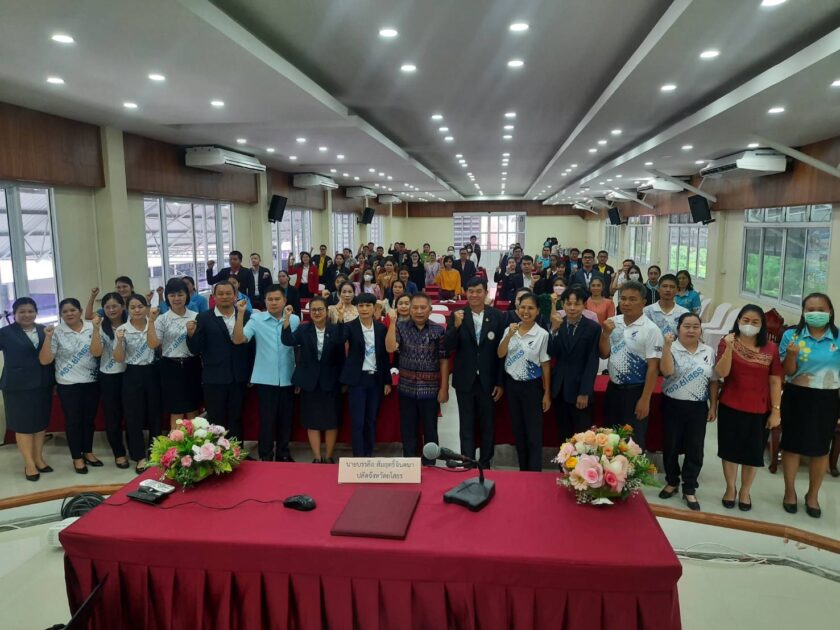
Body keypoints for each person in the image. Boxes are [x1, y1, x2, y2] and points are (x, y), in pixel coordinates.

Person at [714, 305, 782, 512]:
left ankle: (745, 491)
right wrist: (729, 348)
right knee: (730, 451)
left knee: (753, 454)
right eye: (745, 320)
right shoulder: (727, 341)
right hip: (730, 405)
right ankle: (730, 488)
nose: (749, 325)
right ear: (738, 321)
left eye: (755, 322)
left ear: (762, 325)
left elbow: (775, 381)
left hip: (759, 409)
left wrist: (776, 410)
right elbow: (722, 373)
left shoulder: (771, 348)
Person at [779, 293, 840, 518]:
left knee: (820, 449)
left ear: (830, 312)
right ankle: (789, 492)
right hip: (797, 396)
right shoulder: (791, 336)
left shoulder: (838, 338)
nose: (816, 313)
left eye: (821, 309)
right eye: (810, 309)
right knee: (792, 445)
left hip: (828, 399)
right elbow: (787, 371)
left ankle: (812, 495)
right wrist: (791, 355)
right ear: (804, 312)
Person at [659, 313, 719, 511]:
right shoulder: (671, 347)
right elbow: (667, 372)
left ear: (701, 330)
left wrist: (713, 405)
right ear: (678, 329)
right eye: (686, 326)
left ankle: (690, 487)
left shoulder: (708, 351)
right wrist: (667, 347)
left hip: (697, 407)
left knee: (695, 448)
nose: (691, 330)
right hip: (672, 403)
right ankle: (672, 481)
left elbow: (713, 381)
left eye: (695, 326)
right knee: (671, 445)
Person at [444, 277, 506, 468]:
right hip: (465, 380)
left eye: (479, 291)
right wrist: (456, 327)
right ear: (465, 293)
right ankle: (467, 462)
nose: (474, 295)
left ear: (486, 292)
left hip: (489, 381)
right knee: (466, 424)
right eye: (471, 291)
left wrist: (500, 382)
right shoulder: (457, 315)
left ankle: (485, 463)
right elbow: (448, 346)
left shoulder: (497, 316)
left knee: (488, 425)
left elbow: (502, 353)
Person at [232, 285, 296, 461]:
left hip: (288, 377)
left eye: (277, 299)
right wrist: (240, 314)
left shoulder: (294, 319)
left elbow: (299, 348)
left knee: (286, 420)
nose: (274, 302)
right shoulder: (256, 319)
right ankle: (266, 455)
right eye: (270, 299)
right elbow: (238, 340)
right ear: (265, 301)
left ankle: (283, 454)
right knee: (267, 420)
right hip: (265, 378)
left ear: (284, 301)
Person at [386, 293, 449, 465]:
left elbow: (444, 360)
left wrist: (444, 388)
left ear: (430, 310)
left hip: (430, 390)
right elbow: (390, 348)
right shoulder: (401, 327)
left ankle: (430, 465)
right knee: (408, 430)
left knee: (430, 430)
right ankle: (409, 465)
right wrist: (392, 323)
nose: (419, 311)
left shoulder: (439, 330)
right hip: (406, 389)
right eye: (415, 307)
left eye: (423, 307)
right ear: (410, 309)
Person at [599, 281, 663, 451]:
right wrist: (605, 334)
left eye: (632, 299)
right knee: (610, 437)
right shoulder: (613, 322)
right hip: (613, 389)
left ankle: (632, 469)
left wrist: (645, 399)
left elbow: (653, 368)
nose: (626, 303)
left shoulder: (651, 330)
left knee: (633, 441)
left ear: (643, 302)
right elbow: (604, 354)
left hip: (636, 392)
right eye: (623, 298)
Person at [39, 298, 101, 474]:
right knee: (73, 421)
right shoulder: (57, 332)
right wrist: (48, 337)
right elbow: (45, 360)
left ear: (80, 311)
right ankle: (77, 457)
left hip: (91, 381)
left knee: (89, 420)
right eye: (65, 311)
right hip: (68, 383)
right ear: (61, 315)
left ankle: (88, 452)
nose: (69, 314)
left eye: (73, 310)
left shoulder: (92, 327)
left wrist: (97, 329)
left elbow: (98, 352)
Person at [281, 297, 344, 463]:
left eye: (320, 309)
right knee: (312, 420)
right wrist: (286, 319)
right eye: (313, 310)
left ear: (326, 311)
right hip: (310, 383)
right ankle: (317, 457)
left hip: (331, 381)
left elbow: (341, 354)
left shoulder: (335, 329)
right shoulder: (304, 329)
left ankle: (328, 457)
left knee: (331, 421)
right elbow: (288, 340)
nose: (317, 312)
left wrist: (343, 381)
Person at [187, 282, 252, 442]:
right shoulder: (204, 317)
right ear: (213, 297)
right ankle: (216, 453)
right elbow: (195, 349)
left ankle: (237, 452)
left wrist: (251, 373)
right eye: (220, 293)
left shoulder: (245, 315)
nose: (224, 297)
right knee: (216, 420)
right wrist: (190, 335)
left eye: (228, 293)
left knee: (236, 417)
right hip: (214, 378)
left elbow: (251, 348)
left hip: (239, 377)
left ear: (235, 296)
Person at [0, 298, 55, 481]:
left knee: (40, 424)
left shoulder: (44, 330)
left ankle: (39, 459)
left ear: (36, 313)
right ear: (15, 314)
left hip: (42, 383)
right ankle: (29, 464)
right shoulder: (5, 332)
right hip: (17, 386)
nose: (26, 315)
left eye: (30, 311)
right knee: (23, 426)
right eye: (22, 311)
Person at [497, 292, 551, 471]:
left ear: (538, 311)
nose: (526, 311)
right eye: (522, 307)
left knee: (533, 434)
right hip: (512, 386)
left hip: (532, 388)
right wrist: (509, 335)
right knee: (518, 431)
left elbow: (545, 364)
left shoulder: (542, 334)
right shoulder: (510, 329)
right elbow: (500, 354)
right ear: (517, 308)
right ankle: (523, 471)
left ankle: (534, 472)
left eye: (530, 308)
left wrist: (547, 393)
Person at [113, 293, 161, 474]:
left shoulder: (153, 323)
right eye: (132, 307)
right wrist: (119, 341)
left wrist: (152, 323)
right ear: (127, 309)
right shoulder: (122, 329)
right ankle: (139, 456)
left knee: (155, 414)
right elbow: (119, 358)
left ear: (146, 308)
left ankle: (156, 453)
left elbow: (154, 345)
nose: (137, 310)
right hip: (132, 373)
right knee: (133, 417)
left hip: (152, 371)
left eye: (140, 306)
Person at [147, 278, 202, 430]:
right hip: (170, 367)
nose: (176, 298)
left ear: (187, 296)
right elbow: (153, 344)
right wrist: (151, 321)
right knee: (176, 410)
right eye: (172, 295)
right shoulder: (162, 319)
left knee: (193, 409)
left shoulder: (196, 316)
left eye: (180, 294)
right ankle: (175, 443)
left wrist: (191, 334)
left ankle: (196, 443)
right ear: (167, 297)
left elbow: (199, 345)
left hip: (192, 365)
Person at [341, 292, 392, 457]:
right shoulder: (349, 326)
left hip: (375, 379)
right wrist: (339, 321)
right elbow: (339, 340)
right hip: (358, 379)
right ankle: (358, 457)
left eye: (368, 305)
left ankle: (368, 455)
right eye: (361, 306)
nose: (364, 309)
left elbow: (384, 356)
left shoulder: (381, 328)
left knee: (371, 419)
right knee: (358, 421)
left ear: (374, 308)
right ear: (357, 308)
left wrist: (387, 381)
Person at [548, 286, 600, 443]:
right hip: (560, 387)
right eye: (568, 303)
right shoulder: (559, 324)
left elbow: (592, 361)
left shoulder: (593, 328)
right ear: (563, 304)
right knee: (563, 434)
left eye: (576, 304)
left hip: (579, 389)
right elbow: (552, 352)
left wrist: (585, 392)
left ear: (584, 305)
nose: (572, 308)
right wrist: (554, 331)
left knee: (582, 437)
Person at [89, 293, 129, 469]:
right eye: (107, 307)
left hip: (130, 374)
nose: (111, 310)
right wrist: (96, 329)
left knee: (132, 415)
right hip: (109, 376)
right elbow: (96, 352)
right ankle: (119, 453)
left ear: (123, 306)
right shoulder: (100, 326)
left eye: (115, 306)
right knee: (112, 417)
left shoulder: (131, 323)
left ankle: (136, 451)